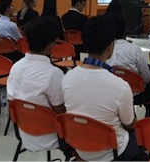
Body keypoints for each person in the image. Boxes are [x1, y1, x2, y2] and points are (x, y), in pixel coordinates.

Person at [61, 16, 142, 161]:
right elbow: (130, 124)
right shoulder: (120, 86)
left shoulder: (67, 77)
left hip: (79, 147)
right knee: (140, 135)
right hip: (112, 152)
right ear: (110, 47)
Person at [7, 16, 66, 154]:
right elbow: (61, 112)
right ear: (52, 44)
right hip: (51, 136)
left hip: (23, 131)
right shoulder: (53, 74)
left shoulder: (15, 66)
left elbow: (11, 102)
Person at [106, 10, 150, 115]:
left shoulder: (103, 51)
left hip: (110, 93)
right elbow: (147, 78)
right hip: (136, 95)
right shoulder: (134, 49)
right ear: (125, 29)